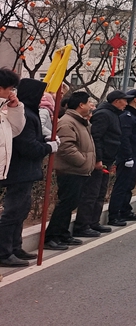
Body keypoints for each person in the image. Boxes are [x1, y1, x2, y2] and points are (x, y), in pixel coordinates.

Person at [0, 78, 55, 267]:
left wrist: (44, 138)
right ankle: (3, 252)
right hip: (19, 171)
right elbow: (28, 146)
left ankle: (15, 247)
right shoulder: (27, 115)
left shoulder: (27, 113)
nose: (41, 100)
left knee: (21, 211)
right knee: (13, 212)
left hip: (26, 171)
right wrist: (49, 147)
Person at [45, 91, 97, 251]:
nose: (91, 106)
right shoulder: (68, 122)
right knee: (65, 203)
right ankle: (52, 236)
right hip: (70, 171)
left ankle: (62, 233)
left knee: (71, 203)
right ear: (81, 105)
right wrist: (83, 161)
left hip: (78, 171)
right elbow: (66, 148)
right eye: (89, 102)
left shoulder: (81, 122)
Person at [75, 90, 130, 237]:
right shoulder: (103, 114)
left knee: (100, 193)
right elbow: (96, 138)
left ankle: (93, 222)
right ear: (117, 101)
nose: (126, 104)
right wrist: (98, 159)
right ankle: (82, 225)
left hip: (108, 160)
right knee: (91, 194)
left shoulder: (114, 115)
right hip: (99, 161)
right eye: (125, 100)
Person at [108, 89, 136, 226]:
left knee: (129, 186)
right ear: (134, 99)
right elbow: (125, 138)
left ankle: (125, 210)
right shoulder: (126, 115)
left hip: (135, 156)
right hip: (127, 157)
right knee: (121, 186)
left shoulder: (134, 115)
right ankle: (114, 215)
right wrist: (127, 156)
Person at [0, 68, 25, 183]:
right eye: (10, 89)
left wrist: (14, 108)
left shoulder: (2, 114)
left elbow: (14, 130)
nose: (12, 93)